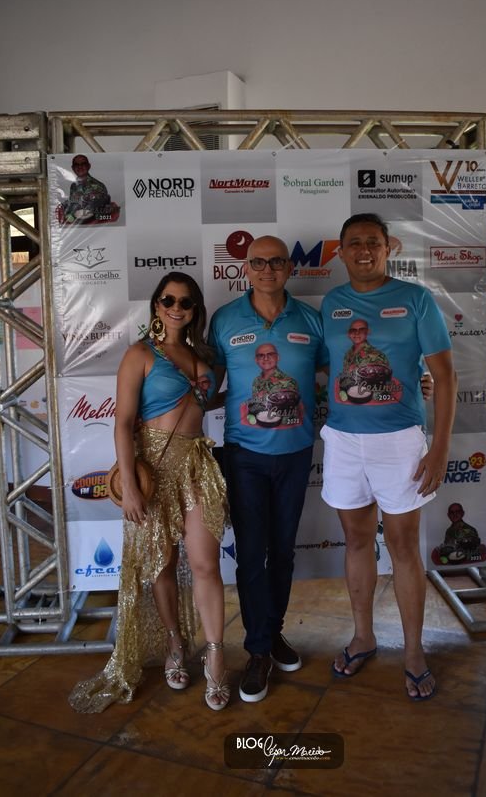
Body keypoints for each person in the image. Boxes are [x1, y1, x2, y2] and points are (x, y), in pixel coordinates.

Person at [69, 272, 230, 713]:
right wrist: (130, 485)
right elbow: (123, 423)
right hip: (153, 469)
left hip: (197, 465)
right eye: (169, 300)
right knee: (162, 562)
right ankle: (175, 643)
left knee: (206, 563)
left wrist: (234, 397)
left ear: (195, 310)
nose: (177, 308)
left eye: (186, 302)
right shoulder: (139, 354)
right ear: (157, 305)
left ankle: (216, 654)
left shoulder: (205, 356)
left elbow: (201, 404)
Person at [320, 213, 457, 701]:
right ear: (340, 251)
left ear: (387, 248)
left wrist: (439, 448)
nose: (364, 250)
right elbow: (328, 369)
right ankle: (363, 636)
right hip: (343, 440)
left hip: (399, 441)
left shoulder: (415, 299)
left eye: (373, 242)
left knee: (402, 546)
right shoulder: (331, 304)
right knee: (357, 540)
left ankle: (414, 651)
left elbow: (446, 376)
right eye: (354, 243)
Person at [208, 236, 327, 703]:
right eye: (258, 262)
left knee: (282, 553)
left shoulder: (311, 320)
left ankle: (273, 633)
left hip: (296, 454)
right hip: (244, 457)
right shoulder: (224, 319)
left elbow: (337, 374)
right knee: (251, 554)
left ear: (289, 268)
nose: (267, 270)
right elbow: (208, 385)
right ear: (246, 268)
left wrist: (410, 381)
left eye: (276, 261)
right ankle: (257, 650)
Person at [63, 154, 111, 221]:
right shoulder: (73, 186)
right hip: (77, 223)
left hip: (94, 223)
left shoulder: (99, 186)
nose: (80, 167)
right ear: (73, 168)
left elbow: (104, 210)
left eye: (83, 164)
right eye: (76, 165)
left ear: (89, 166)